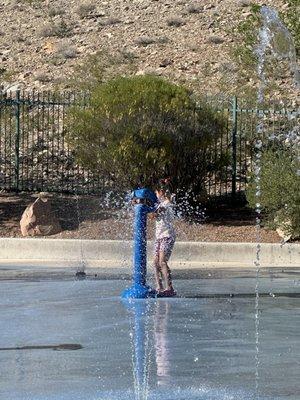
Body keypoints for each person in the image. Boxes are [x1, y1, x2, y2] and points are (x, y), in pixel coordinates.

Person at [151, 179, 176, 296]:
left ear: (161, 192)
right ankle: (159, 287)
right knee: (155, 262)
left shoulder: (167, 203)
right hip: (159, 237)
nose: (155, 195)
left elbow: (157, 213)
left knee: (162, 262)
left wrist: (151, 211)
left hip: (167, 236)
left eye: (156, 192)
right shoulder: (160, 204)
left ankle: (169, 288)